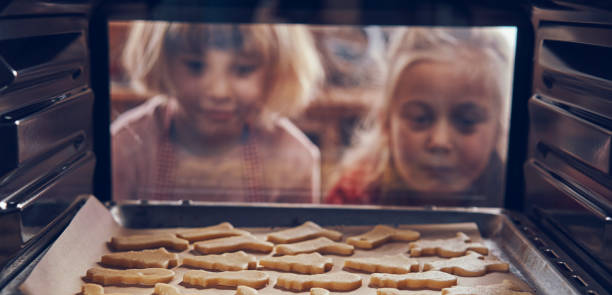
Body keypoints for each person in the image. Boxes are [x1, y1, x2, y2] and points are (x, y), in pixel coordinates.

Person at [112, 22, 324, 203]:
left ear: (275, 70)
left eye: (243, 69)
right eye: (196, 66)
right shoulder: (124, 146)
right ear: (163, 60)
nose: (218, 92)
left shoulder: (295, 159)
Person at [326, 27, 514, 206]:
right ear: (386, 123)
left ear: (499, 129)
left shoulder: (515, 195)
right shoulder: (354, 193)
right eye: (420, 118)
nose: (440, 141)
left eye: (467, 121)